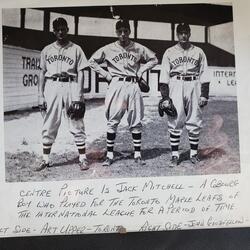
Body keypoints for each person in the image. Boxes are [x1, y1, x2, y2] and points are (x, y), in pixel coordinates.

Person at [89, 19, 158, 166]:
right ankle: (109, 155)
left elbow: (154, 59)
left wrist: (142, 70)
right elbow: (92, 61)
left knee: (136, 120)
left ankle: (138, 154)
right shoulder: (108, 48)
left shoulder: (138, 48)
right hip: (116, 84)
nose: (122, 34)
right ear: (116, 32)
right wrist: (106, 75)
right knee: (112, 120)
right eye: (120, 31)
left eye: (125, 31)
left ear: (129, 32)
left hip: (133, 85)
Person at [36, 17, 89, 171]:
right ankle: (45, 160)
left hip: (71, 84)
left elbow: (81, 73)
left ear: (67, 29)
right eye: (57, 29)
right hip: (52, 85)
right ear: (53, 31)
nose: (60, 32)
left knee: (76, 120)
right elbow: (42, 72)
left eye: (63, 29)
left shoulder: (76, 49)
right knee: (49, 122)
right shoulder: (47, 50)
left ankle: (83, 158)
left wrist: (78, 96)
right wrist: (40, 95)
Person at [159, 23, 210, 167]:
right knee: (175, 119)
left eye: (186, 32)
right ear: (177, 34)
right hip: (176, 84)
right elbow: (164, 76)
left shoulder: (199, 51)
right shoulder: (169, 52)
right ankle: (175, 155)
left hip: (194, 85)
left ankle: (193, 154)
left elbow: (204, 73)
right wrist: (165, 98)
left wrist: (204, 94)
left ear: (189, 33)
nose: (183, 35)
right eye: (180, 32)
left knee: (195, 119)